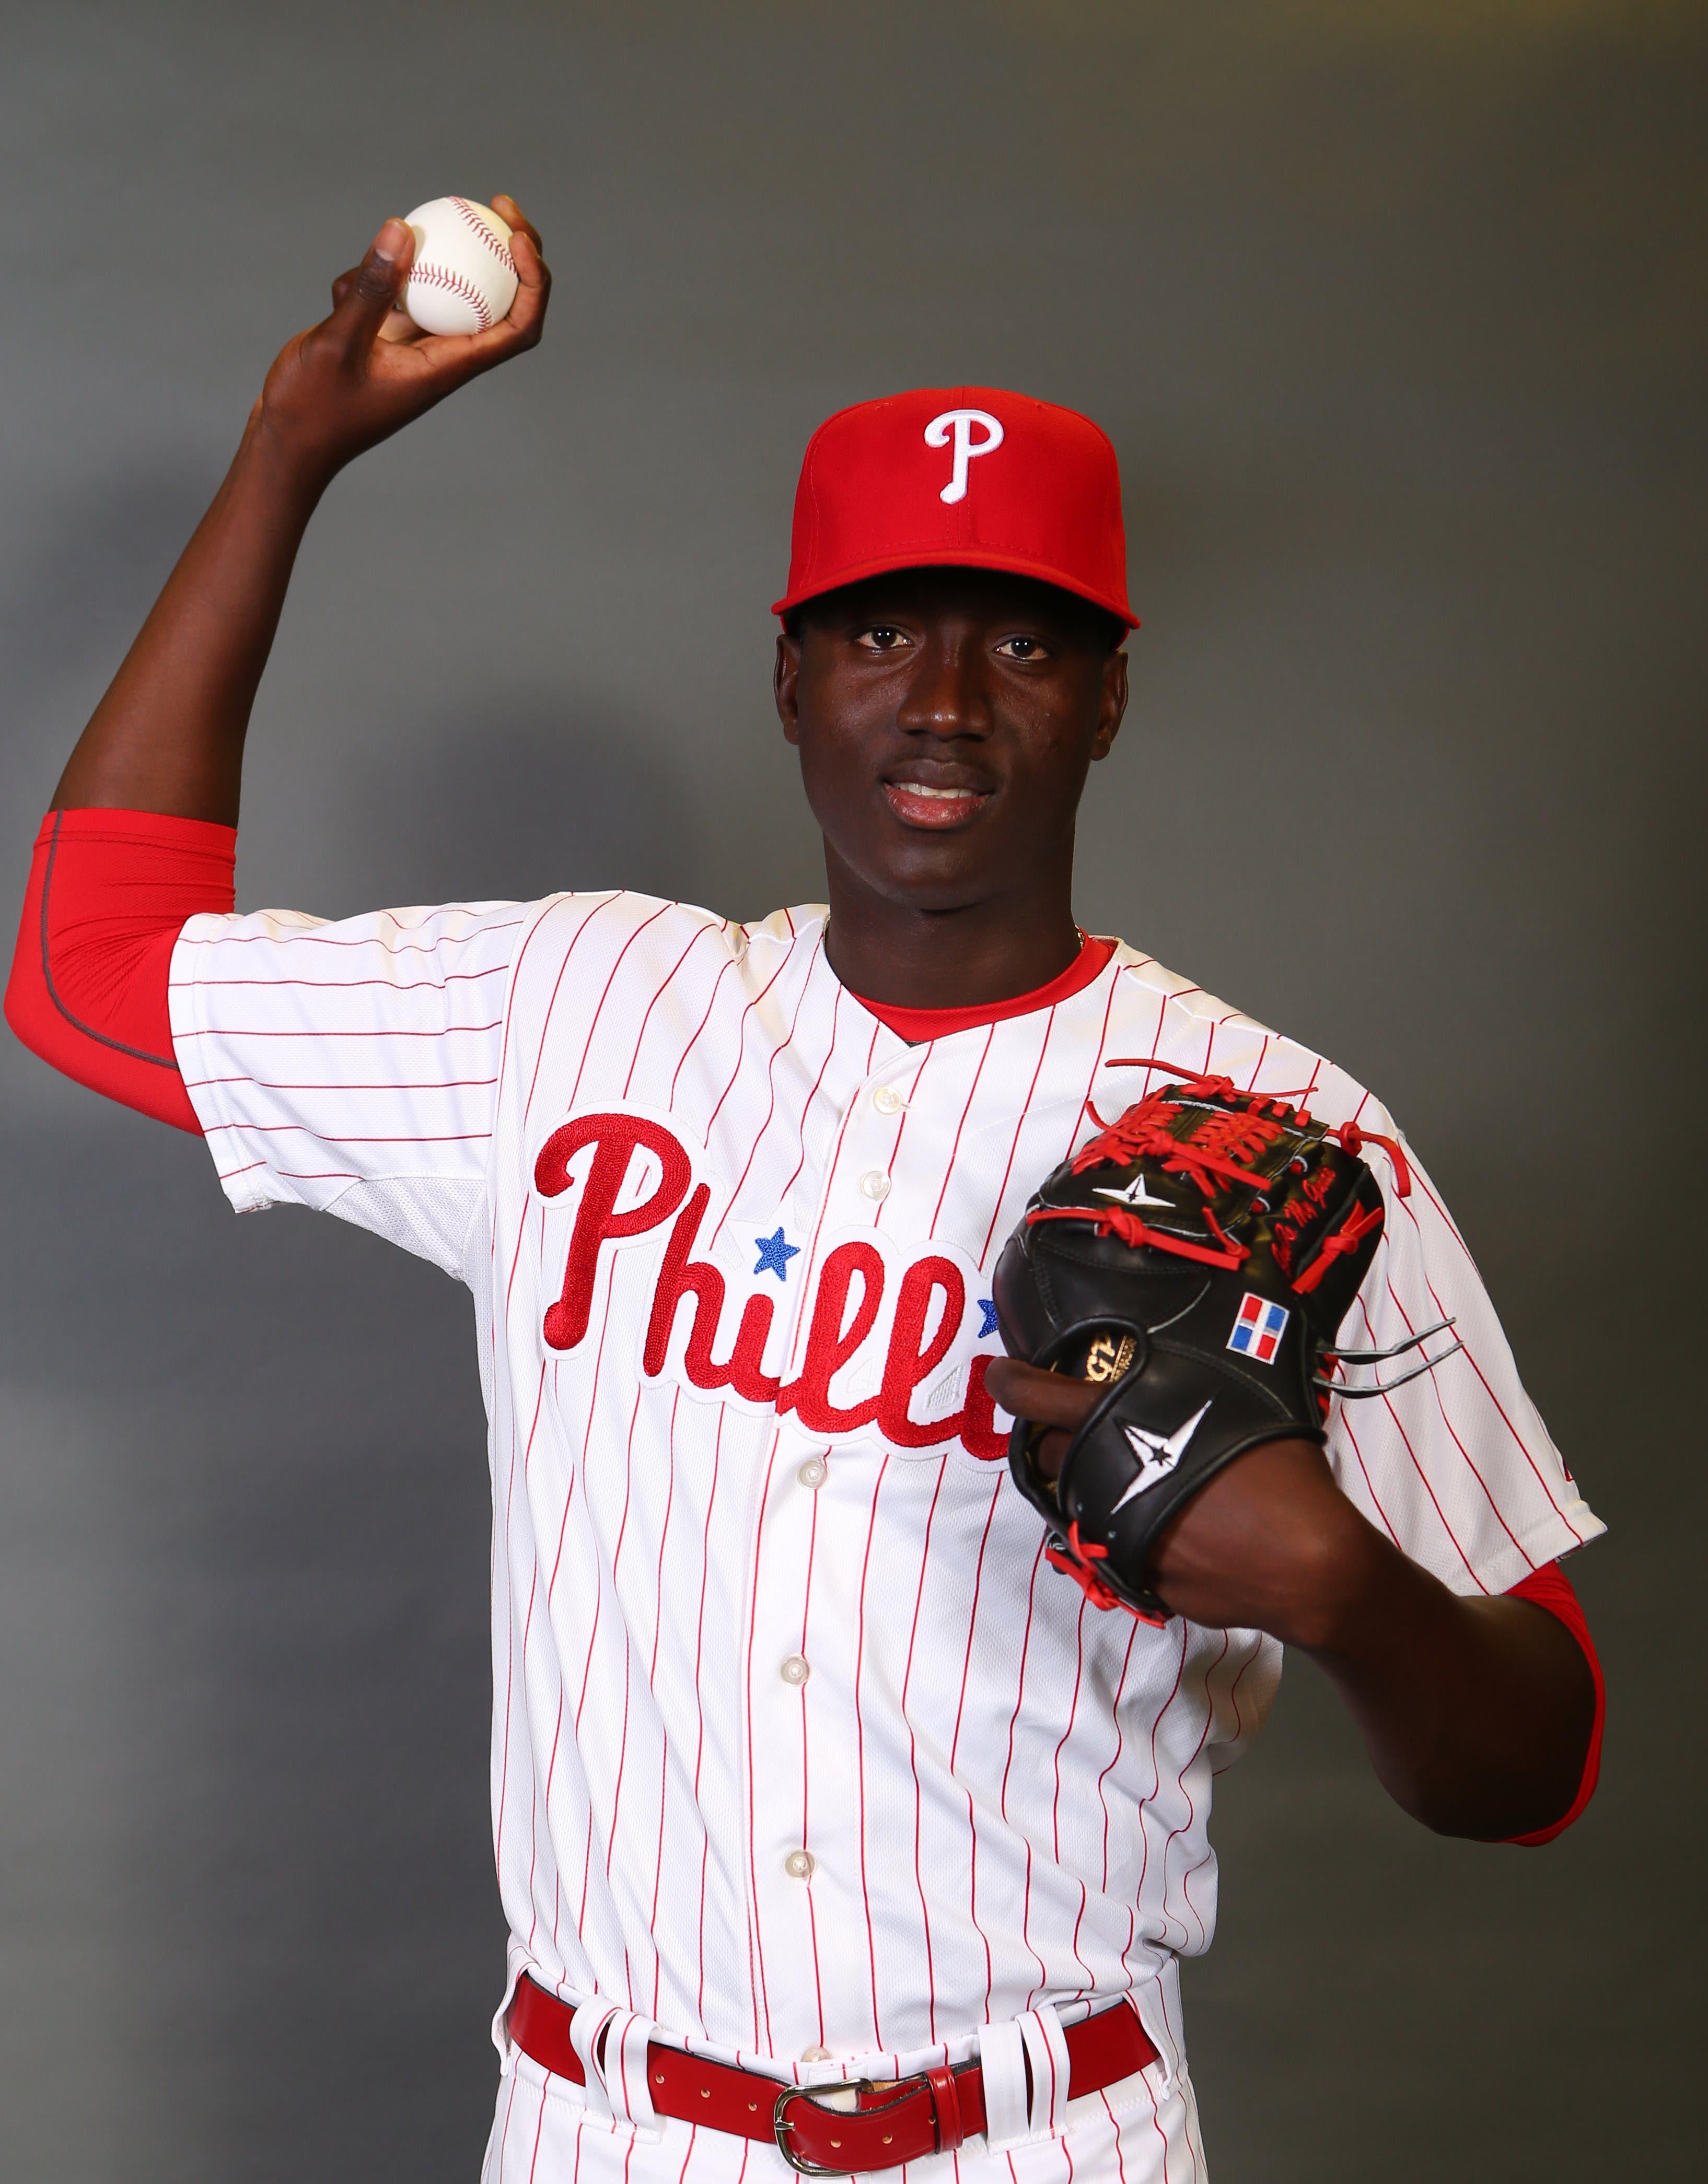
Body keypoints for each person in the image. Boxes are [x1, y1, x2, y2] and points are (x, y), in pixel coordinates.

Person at [6, 207, 1604, 2183]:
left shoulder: (1289, 1139)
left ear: (1111, 697)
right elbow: (90, 965)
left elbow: (1542, 1762)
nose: (943, 697)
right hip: (607, 2129)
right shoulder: (570, 1009)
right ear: (786, 680)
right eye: (880, 630)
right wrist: (286, 455)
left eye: (1022, 639)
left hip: (1048, 2135)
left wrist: (1347, 1595)